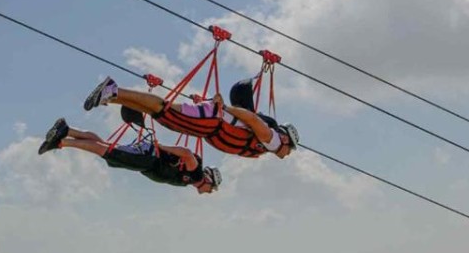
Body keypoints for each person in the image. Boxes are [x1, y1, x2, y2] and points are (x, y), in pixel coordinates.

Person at [83, 76, 298, 159]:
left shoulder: (265, 147)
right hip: (212, 119)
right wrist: (225, 108)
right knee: (162, 109)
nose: (288, 154)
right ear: (285, 138)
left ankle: (111, 97)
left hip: (209, 123)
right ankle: (114, 91)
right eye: (291, 148)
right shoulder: (273, 140)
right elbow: (252, 119)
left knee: (160, 112)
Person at [37, 117, 220, 194]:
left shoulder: (188, 181)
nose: (209, 192)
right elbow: (187, 154)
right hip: (148, 159)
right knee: (106, 151)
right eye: (211, 188)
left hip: (146, 159)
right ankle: (61, 142)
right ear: (208, 180)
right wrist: (162, 146)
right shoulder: (195, 175)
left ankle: (67, 130)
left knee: (106, 146)